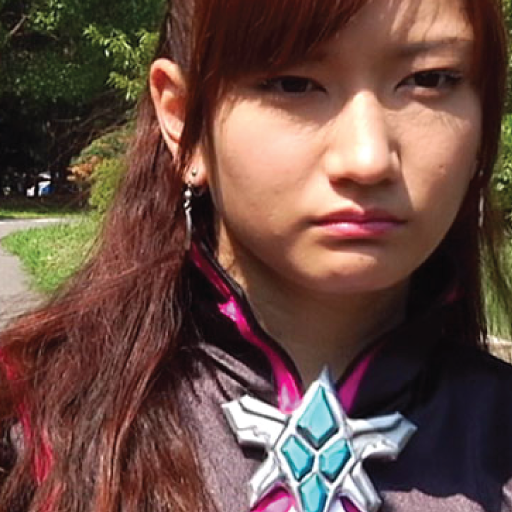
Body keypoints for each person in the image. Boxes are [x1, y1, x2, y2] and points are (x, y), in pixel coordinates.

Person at [1, 0, 512, 511]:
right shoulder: (26, 429)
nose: (368, 159)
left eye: (429, 80)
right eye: (294, 84)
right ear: (183, 119)